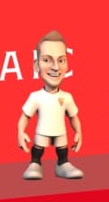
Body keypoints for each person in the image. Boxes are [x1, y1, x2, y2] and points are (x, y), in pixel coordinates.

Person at [17, 30, 83, 180]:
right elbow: (25, 117)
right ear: (36, 65)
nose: (55, 67)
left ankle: (62, 164)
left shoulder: (67, 97)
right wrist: (21, 132)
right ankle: (35, 163)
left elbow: (73, 117)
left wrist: (78, 132)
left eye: (61, 60)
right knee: (38, 147)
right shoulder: (36, 97)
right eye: (47, 60)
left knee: (62, 148)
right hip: (42, 131)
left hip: (60, 132)